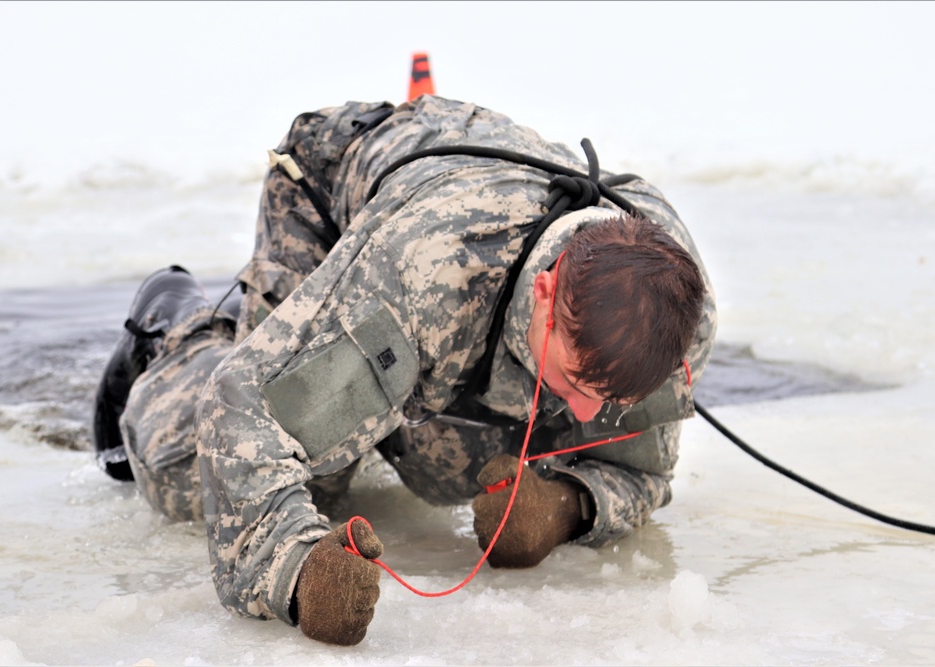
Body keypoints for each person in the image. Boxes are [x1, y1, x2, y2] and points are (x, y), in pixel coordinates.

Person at [93, 95, 717, 646]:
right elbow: (243, 412)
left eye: (604, 397)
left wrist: (564, 507)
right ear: (549, 293)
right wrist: (296, 575)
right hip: (329, 193)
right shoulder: (426, 278)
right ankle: (181, 326)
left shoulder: (673, 315)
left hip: (439, 252)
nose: (584, 413)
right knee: (247, 478)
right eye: (578, 383)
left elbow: (641, 470)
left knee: (449, 467)